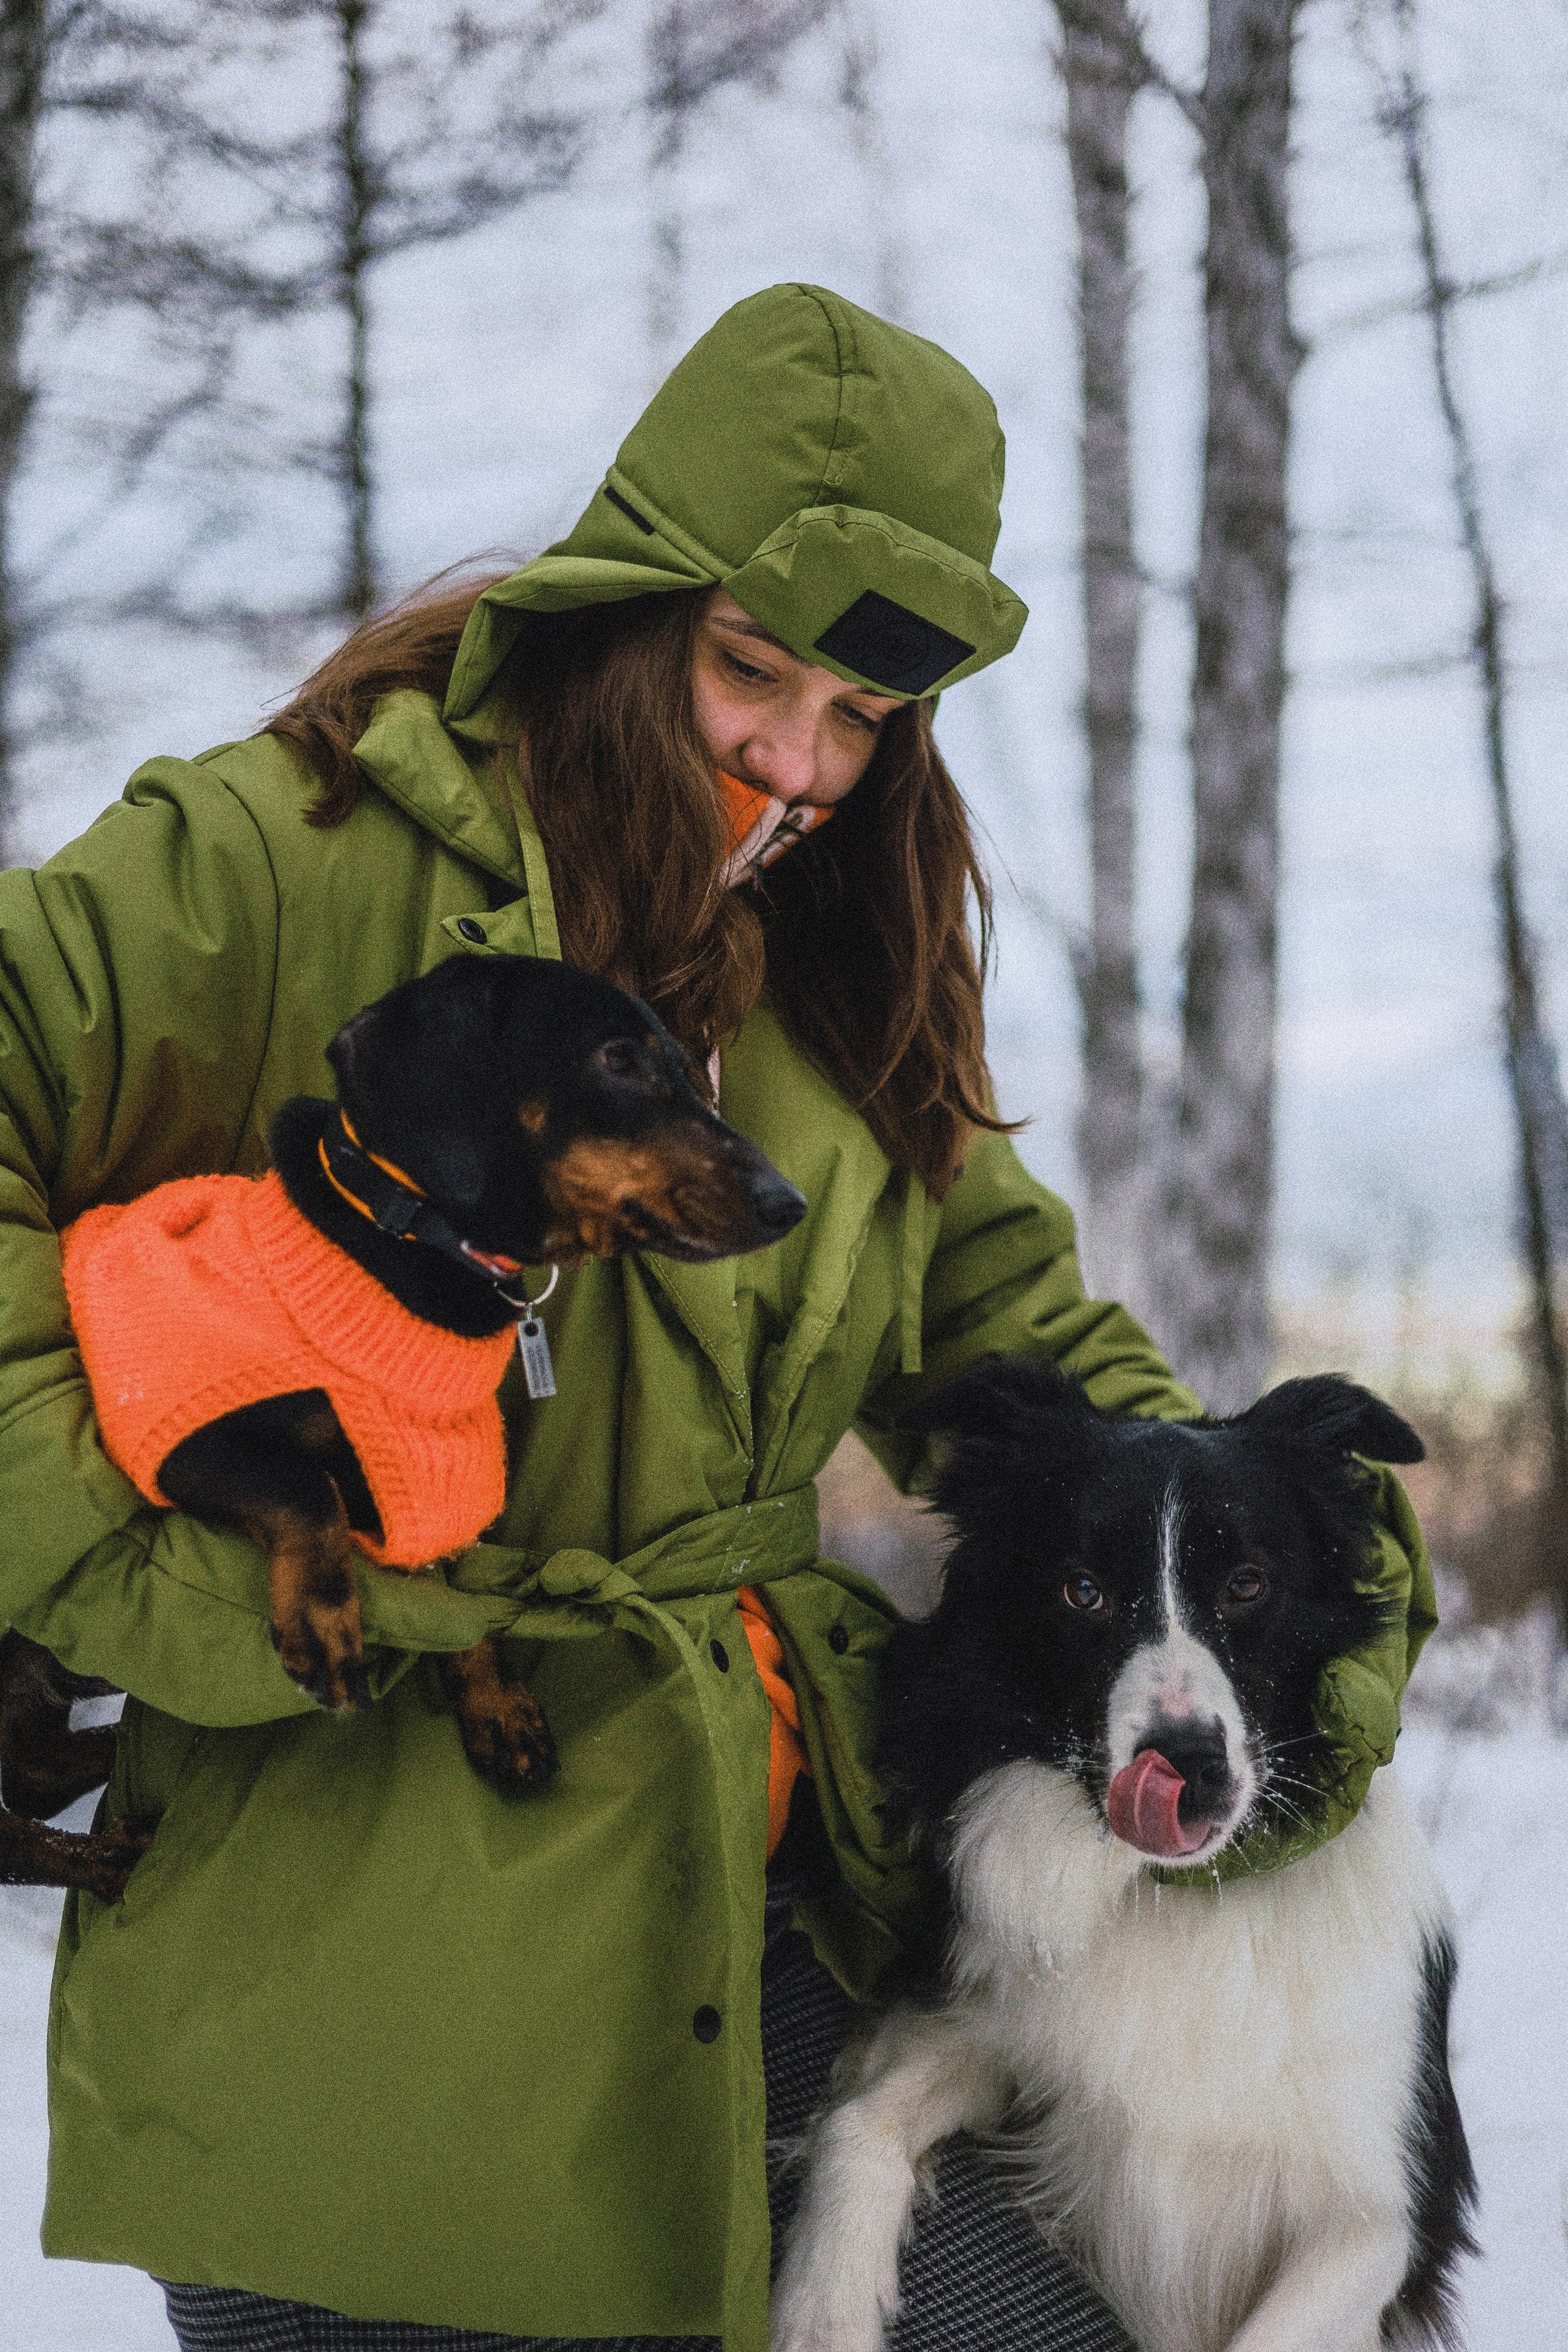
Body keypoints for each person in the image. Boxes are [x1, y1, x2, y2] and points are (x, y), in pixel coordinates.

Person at [0, 283, 1433, 2352]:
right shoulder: (274, 863)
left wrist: (1307, 1580)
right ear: (619, 611)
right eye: (753, 671)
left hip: (754, 1924)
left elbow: (1043, 1348)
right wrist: (197, 1585)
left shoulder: (840, 985)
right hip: (353, 1981)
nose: (797, 761)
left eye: (864, 718)